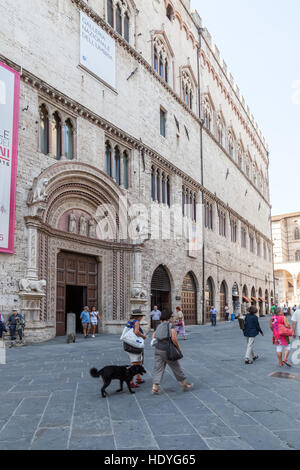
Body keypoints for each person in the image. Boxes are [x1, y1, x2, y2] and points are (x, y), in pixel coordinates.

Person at [152, 310, 193, 395]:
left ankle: (155, 387)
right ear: (169, 317)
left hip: (158, 349)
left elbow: (153, 336)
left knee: (158, 368)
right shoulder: (170, 325)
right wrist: (178, 348)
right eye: (172, 317)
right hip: (167, 349)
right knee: (175, 366)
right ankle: (184, 384)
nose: (172, 318)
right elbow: (174, 338)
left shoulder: (158, 325)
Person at [124, 309, 147, 388]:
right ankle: (130, 381)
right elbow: (136, 332)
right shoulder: (136, 322)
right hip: (134, 344)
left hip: (128, 343)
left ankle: (138, 378)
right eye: (141, 316)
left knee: (138, 361)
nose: (141, 318)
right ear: (138, 316)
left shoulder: (129, 321)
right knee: (135, 363)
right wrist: (143, 336)